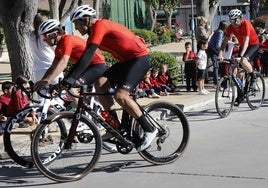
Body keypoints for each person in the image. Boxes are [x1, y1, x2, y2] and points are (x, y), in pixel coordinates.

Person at [66, 5, 157, 151]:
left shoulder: (100, 25)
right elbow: (85, 59)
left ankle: (150, 129)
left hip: (139, 59)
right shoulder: (92, 35)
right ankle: (115, 127)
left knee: (121, 96)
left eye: (76, 23)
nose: (76, 29)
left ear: (86, 20)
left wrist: (72, 78)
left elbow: (89, 53)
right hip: (126, 62)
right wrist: (69, 78)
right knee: (100, 83)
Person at [33, 19, 110, 112]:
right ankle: (87, 112)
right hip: (86, 67)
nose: (44, 40)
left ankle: (83, 114)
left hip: (97, 66)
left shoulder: (67, 39)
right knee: (68, 87)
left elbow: (63, 63)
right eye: (42, 37)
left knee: (70, 87)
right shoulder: (58, 48)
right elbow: (53, 67)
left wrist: (47, 81)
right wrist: (44, 80)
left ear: (55, 34)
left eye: (45, 36)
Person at [218, 9, 259, 106]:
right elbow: (225, 41)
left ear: (240, 18)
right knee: (238, 76)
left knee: (243, 60)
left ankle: (253, 76)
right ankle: (241, 95)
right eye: (231, 21)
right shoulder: (230, 27)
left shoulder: (246, 24)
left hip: (253, 45)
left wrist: (240, 56)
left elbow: (246, 42)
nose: (234, 23)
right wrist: (220, 53)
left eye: (235, 20)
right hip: (243, 46)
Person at [29, 14, 64, 106]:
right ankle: (60, 114)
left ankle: (44, 114)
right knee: (59, 95)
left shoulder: (31, 36)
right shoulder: (47, 36)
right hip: (52, 67)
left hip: (38, 69)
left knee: (43, 97)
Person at [207, 20, 229, 88]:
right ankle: (216, 83)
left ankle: (216, 82)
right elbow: (218, 45)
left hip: (211, 49)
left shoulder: (217, 31)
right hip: (214, 50)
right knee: (216, 66)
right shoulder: (220, 32)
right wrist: (220, 51)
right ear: (225, 27)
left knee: (216, 66)